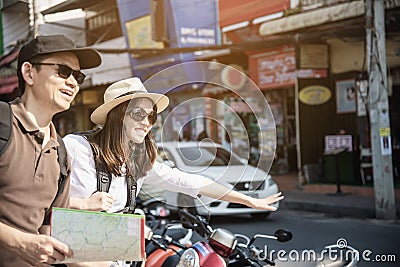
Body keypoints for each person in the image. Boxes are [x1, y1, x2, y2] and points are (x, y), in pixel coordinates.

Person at [63, 77, 283, 265]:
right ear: (118, 115)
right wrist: (81, 204)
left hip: (118, 256)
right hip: (79, 258)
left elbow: (190, 181)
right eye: (138, 114)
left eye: (151, 116)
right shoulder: (77, 147)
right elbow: (38, 198)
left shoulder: (138, 161)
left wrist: (247, 200)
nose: (147, 123)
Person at [0, 35, 101, 266]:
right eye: (63, 71)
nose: (73, 83)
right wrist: (19, 243)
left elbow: (50, 228)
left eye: (78, 76)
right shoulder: (3, 123)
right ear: (29, 73)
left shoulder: (61, 152)